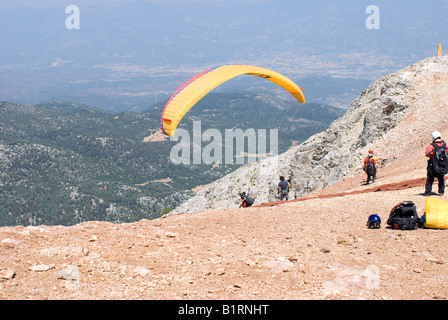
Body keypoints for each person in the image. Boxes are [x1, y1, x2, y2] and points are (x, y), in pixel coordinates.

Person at [424, 131, 448, 196]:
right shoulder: (445, 145)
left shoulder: (432, 146)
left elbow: (427, 154)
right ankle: (441, 191)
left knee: (430, 179)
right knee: (441, 178)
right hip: (442, 165)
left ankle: (428, 192)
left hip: (433, 166)